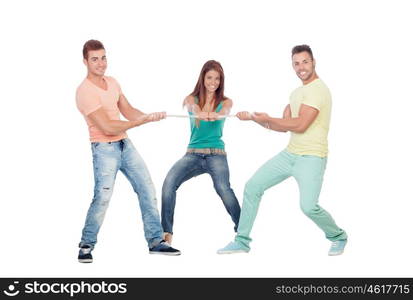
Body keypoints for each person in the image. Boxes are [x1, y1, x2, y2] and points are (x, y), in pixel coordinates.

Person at [218, 45, 348, 256]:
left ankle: (338, 236)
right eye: (296, 63)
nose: (301, 67)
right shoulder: (296, 93)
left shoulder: (318, 90)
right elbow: (282, 126)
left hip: (312, 157)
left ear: (314, 62)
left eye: (305, 62)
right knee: (253, 186)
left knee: (308, 207)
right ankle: (242, 241)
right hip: (290, 153)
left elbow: (301, 125)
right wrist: (255, 119)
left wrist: (268, 118)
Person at [76, 40, 180, 263]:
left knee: (146, 188)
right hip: (104, 149)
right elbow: (107, 127)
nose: (101, 63)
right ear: (85, 61)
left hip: (125, 144)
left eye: (103, 58)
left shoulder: (112, 82)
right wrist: (138, 123)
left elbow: (129, 111)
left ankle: (156, 241)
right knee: (102, 197)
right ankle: (86, 244)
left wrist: (147, 117)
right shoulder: (84, 92)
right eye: (95, 59)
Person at [161, 60, 241, 245]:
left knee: (223, 188)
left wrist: (216, 114)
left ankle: (242, 229)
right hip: (193, 154)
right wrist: (199, 111)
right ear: (202, 78)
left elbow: (228, 109)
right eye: (209, 77)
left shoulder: (225, 102)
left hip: (216, 153)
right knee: (169, 183)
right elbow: (191, 107)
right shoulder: (192, 99)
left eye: (217, 79)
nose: (213, 82)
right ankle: (166, 233)